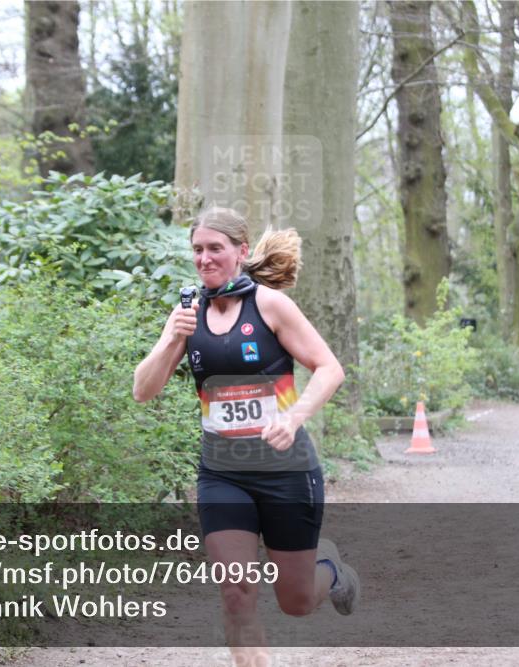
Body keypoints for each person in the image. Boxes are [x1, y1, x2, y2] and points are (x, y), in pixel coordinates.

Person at [133, 206, 359, 666]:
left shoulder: (269, 305)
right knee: (236, 591)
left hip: (286, 472)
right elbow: (143, 391)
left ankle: (330, 569)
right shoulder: (187, 313)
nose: (205, 258)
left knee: (295, 602)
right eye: (197, 249)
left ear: (240, 251)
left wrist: (293, 417)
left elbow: (329, 368)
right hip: (223, 474)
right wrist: (169, 341)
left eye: (215, 248)